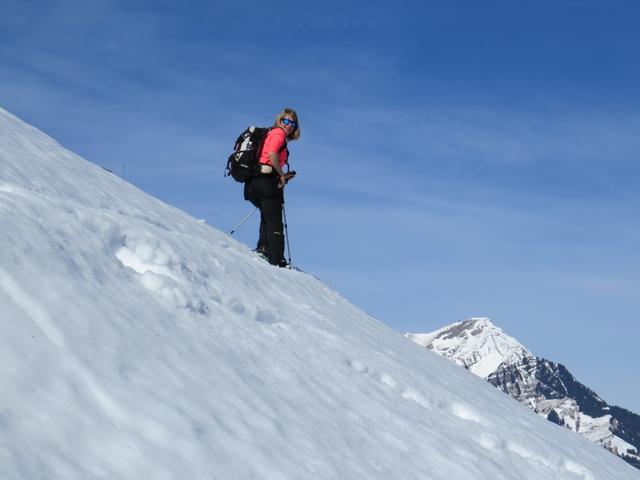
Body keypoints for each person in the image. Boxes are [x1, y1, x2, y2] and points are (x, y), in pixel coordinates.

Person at [244, 108, 300, 267]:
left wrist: (283, 175)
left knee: (267, 215)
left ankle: (264, 248)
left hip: (254, 182)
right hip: (265, 182)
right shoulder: (278, 134)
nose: (288, 125)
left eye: (292, 123)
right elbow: (272, 154)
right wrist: (281, 175)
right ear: (279, 120)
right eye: (285, 121)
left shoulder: (270, 133)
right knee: (275, 220)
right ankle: (276, 259)